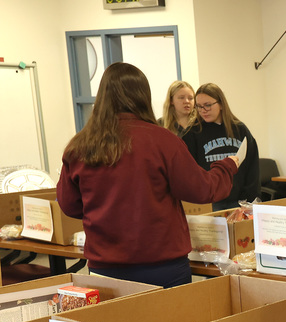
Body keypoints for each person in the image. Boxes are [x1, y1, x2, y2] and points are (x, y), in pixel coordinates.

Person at [56, 63, 241, 288]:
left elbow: (69, 205)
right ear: (143, 96)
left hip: (104, 267)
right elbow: (203, 189)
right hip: (162, 266)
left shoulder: (80, 146)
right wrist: (227, 166)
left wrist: (104, 210)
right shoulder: (162, 141)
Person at [182, 82, 260, 211]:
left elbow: (252, 167)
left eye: (208, 105)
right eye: (199, 106)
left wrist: (250, 201)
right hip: (210, 203)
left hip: (240, 202)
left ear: (221, 104)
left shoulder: (239, 129)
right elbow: (189, 172)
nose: (203, 111)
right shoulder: (192, 133)